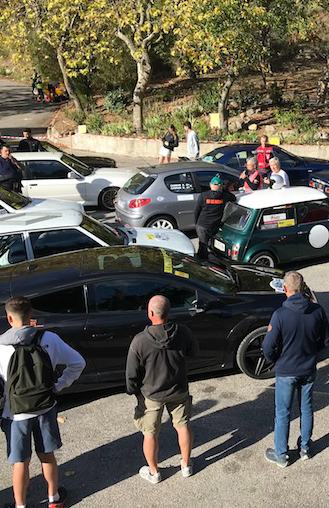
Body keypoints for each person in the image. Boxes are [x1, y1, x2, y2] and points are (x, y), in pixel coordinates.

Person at [0, 296, 85, 508]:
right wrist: (59, 385)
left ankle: (20, 505)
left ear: (9, 318)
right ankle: (54, 499)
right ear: (31, 315)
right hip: (45, 407)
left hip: (15, 414)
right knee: (47, 455)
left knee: (20, 462)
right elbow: (78, 363)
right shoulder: (49, 339)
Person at [126, 295, 199, 484]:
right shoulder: (183, 332)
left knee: (150, 433)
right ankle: (186, 466)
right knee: (183, 425)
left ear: (150, 313)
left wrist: (133, 390)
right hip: (179, 389)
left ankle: (154, 472)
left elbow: (132, 373)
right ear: (168, 312)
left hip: (151, 395)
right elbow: (194, 351)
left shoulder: (140, 341)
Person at [262, 271, 329, 467]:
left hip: (286, 371)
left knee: (283, 413)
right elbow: (326, 340)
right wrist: (311, 353)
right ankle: (305, 448)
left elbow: (268, 347)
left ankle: (281, 454)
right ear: (303, 287)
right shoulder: (317, 310)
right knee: (306, 408)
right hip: (308, 369)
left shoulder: (280, 315)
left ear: (284, 288)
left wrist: (277, 360)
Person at [193, 175, 236, 259]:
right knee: (210, 243)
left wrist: (196, 223)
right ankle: (207, 257)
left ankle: (202, 260)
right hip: (214, 226)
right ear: (220, 186)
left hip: (202, 225)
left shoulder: (203, 195)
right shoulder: (224, 196)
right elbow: (233, 197)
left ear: (210, 185)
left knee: (202, 245)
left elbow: (196, 211)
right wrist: (224, 190)